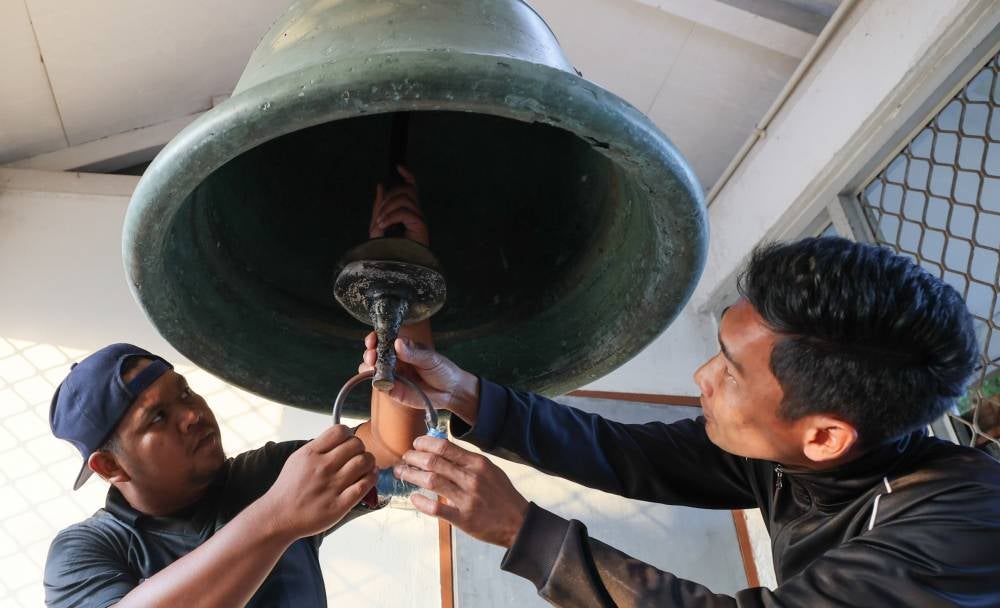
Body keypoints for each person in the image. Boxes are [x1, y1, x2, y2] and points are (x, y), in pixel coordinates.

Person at [366, 237, 1000, 606]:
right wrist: (468, 397)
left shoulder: (962, 536)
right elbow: (626, 454)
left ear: (826, 434)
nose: (702, 376)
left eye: (730, 371)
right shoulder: (801, 457)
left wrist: (520, 530)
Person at [43, 167, 430, 608]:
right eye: (157, 417)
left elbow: (390, 445)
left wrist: (401, 272)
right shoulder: (88, 551)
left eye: (184, 392)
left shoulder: (269, 473)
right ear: (110, 466)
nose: (191, 414)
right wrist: (278, 517)